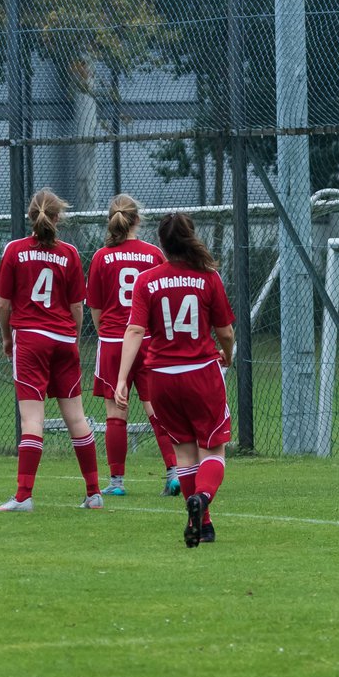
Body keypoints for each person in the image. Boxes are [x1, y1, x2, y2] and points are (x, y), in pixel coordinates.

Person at [116, 212, 234, 548]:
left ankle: (204, 524)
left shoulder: (147, 281)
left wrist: (123, 378)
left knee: (184, 452)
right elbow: (224, 331)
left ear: (163, 245)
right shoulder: (208, 277)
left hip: (161, 379)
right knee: (213, 449)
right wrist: (228, 352)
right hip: (200, 373)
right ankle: (204, 497)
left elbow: (136, 330)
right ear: (190, 237)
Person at [0, 188, 102, 512]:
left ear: (31, 218)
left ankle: (24, 496)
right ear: (57, 218)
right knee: (76, 418)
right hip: (64, 340)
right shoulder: (68, 253)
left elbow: (2, 305)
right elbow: (77, 307)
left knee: (32, 420)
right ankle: (94, 493)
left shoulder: (15, 251)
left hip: (31, 340)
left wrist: (7, 337)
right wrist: (74, 338)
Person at [85, 194, 179, 497]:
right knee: (158, 410)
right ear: (137, 219)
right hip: (149, 341)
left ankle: (116, 483)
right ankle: (174, 473)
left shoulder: (101, 257)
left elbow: (96, 308)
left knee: (116, 412)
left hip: (114, 342)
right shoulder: (153, 254)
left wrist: (109, 336)